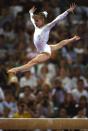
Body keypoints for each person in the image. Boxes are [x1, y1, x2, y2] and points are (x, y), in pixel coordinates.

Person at [8, 4, 80, 74]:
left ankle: (16, 69)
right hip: (45, 48)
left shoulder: (46, 27)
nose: (35, 22)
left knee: (32, 62)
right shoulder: (36, 27)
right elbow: (32, 19)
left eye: (37, 21)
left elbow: (57, 19)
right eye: (35, 21)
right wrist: (30, 12)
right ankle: (23, 69)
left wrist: (67, 11)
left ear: (42, 20)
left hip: (45, 53)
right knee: (58, 45)